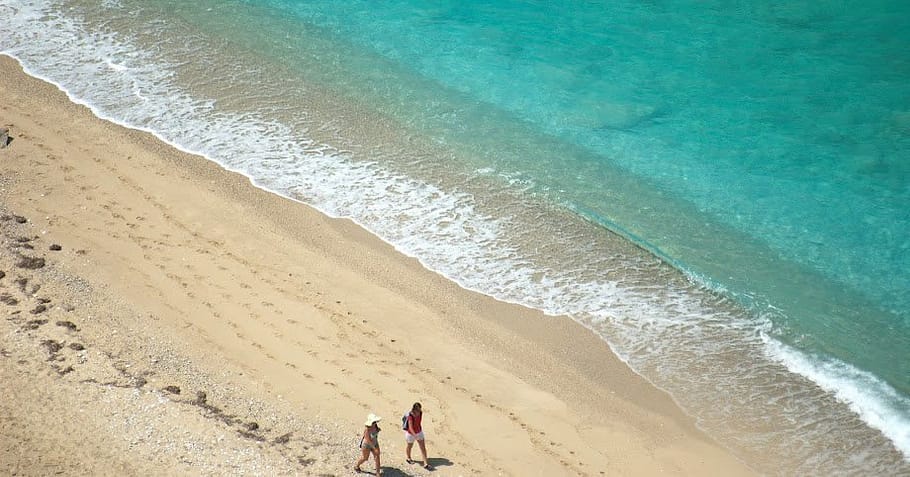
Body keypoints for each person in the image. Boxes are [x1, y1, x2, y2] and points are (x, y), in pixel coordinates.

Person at [404, 402, 431, 469]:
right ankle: (408, 458)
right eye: (418, 410)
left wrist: (417, 434)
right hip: (410, 434)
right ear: (414, 409)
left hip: (419, 432)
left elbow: (418, 422)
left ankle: (425, 463)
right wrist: (415, 436)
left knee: (423, 448)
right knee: (410, 446)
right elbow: (410, 427)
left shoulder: (421, 413)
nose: (419, 411)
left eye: (420, 409)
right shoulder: (410, 416)